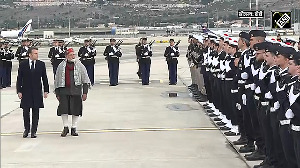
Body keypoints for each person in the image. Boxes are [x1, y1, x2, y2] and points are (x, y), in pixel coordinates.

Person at [54, 48, 91, 137]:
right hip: (64, 91)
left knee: (76, 109)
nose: (73, 56)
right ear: (66, 56)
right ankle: (65, 127)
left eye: (73, 55)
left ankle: (74, 127)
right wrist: (57, 93)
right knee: (64, 109)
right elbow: (57, 80)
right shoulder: (61, 66)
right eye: (70, 55)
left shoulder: (79, 65)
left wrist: (85, 92)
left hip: (76, 91)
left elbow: (85, 78)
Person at [16, 47, 49, 138]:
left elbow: (44, 78)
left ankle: (34, 131)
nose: (37, 55)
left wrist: (46, 90)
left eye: (37, 53)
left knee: (36, 112)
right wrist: (19, 91)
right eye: (35, 53)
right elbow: (19, 78)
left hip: (37, 91)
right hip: (26, 91)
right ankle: (26, 129)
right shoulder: (23, 64)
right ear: (30, 54)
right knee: (26, 111)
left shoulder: (41, 64)